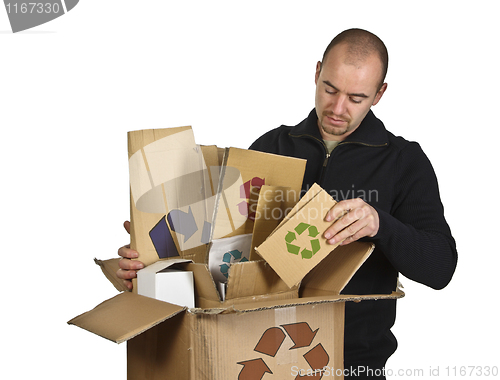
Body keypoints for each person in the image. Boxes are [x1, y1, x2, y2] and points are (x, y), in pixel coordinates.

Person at [117, 28, 457, 378]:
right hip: (261, 358)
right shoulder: (271, 147)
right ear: (316, 72)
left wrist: (382, 225)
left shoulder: (403, 162)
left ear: (380, 93)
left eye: (356, 98)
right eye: (329, 89)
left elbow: (441, 268)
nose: (337, 108)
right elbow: (219, 252)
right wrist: (155, 260)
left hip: (353, 365)